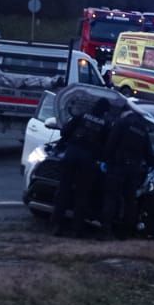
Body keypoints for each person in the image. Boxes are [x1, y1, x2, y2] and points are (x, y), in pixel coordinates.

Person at [49, 97, 113, 238]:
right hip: (88, 161)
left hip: (71, 155)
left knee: (63, 191)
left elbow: (64, 132)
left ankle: (57, 225)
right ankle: (77, 229)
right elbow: (108, 146)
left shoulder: (81, 116)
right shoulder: (106, 125)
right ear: (105, 111)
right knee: (82, 194)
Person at [102, 105, 154, 239]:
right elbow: (149, 154)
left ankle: (106, 231)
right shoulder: (143, 130)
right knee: (130, 201)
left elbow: (111, 143)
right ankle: (125, 233)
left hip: (117, 167)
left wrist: (104, 160)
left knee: (111, 198)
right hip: (133, 170)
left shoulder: (122, 123)